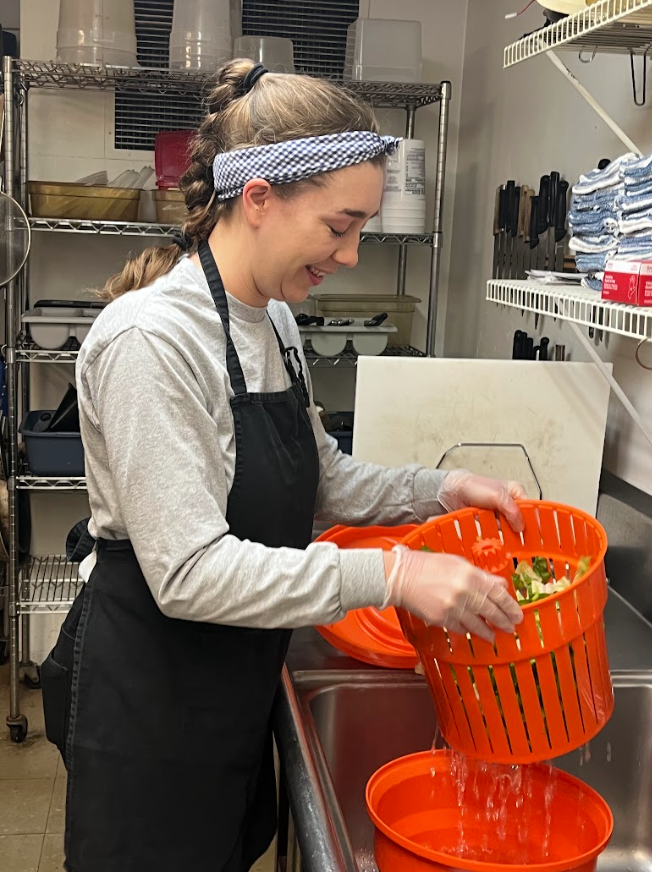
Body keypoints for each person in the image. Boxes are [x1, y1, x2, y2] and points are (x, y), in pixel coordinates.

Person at [41, 60, 524, 872]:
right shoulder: (151, 340)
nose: (351, 254)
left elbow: (322, 477)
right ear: (259, 198)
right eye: (340, 226)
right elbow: (190, 572)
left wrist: (438, 488)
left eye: (362, 228)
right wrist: (395, 577)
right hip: (151, 701)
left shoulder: (273, 321)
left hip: (233, 681)